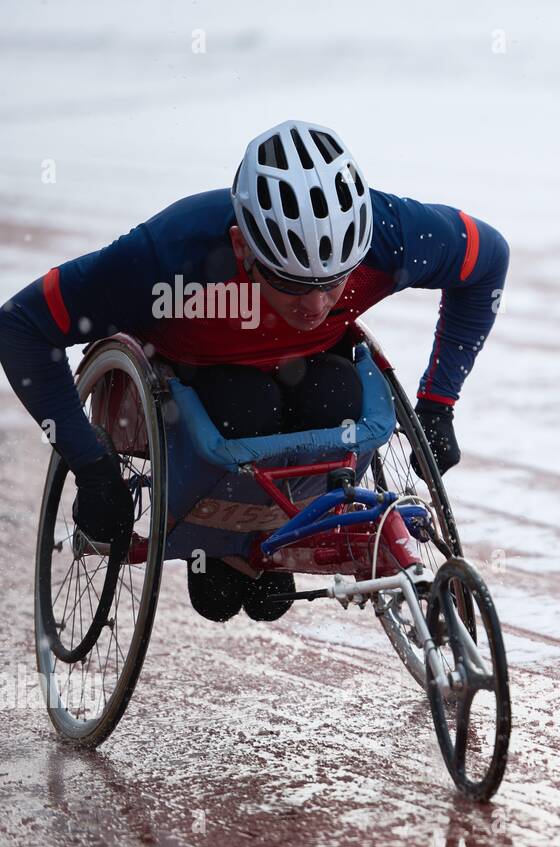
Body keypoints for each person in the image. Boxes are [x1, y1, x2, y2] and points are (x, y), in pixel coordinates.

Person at [0, 120, 508, 620]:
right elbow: (20, 327)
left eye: (333, 282)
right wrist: (92, 466)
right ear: (243, 247)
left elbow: (487, 260)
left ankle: (265, 535)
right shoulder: (167, 255)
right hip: (204, 390)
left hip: (312, 375)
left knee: (336, 398)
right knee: (246, 406)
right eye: (291, 282)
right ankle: (227, 548)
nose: (315, 304)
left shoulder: (389, 233)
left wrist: (440, 404)